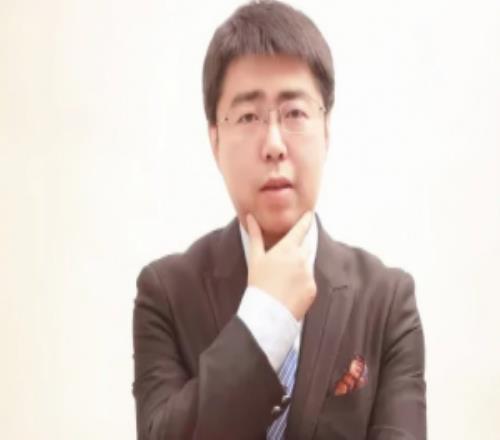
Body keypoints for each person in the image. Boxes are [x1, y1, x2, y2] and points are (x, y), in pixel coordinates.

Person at [132, 1, 426, 439]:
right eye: (248, 116)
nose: (273, 144)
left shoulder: (386, 301)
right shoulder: (166, 295)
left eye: (294, 114)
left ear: (326, 131)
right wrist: (263, 320)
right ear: (215, 140)